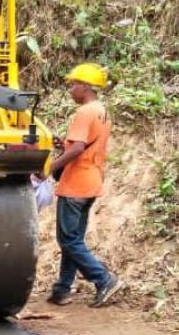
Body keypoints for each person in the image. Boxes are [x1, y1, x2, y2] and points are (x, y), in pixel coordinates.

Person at [38, 62, 124, 308]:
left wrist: (49, 168)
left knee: (68, 241)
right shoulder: (101, 110)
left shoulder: (84, 112)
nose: (71, 89)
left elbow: (77, 148)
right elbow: (82, 145)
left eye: (74, 84)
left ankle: (104, 279)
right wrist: (62, 144)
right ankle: (62, 289)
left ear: (85, 86)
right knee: (73, 238)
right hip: (92, 181)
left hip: (76, 184)